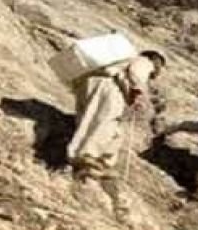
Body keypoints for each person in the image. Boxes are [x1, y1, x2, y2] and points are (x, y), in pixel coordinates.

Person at [67, 50, 167, 221]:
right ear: (156, 60)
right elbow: (135, 72)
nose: (158, 70)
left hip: (89, 83)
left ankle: (89, 155)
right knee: (106, 121)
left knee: (89, 120)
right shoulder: (144, 61)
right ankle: (90, 156)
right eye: (160, 65)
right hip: (109, 86)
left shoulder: (118, 62)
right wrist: (138, 92)